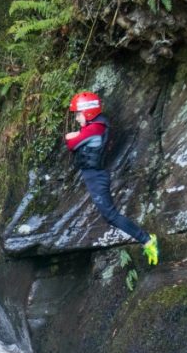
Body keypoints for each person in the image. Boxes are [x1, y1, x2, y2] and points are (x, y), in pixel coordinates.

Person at [64, 90, 159, 265]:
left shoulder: (94, 128)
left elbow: (70, 142)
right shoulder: (97, 125)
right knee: (109, 215)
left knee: (110, 215)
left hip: (96, 177)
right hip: (94, 175)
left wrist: (72, 136)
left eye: (78, 114)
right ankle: (146, 239)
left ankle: (146, 240)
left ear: (88, 112)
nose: (77, 119)